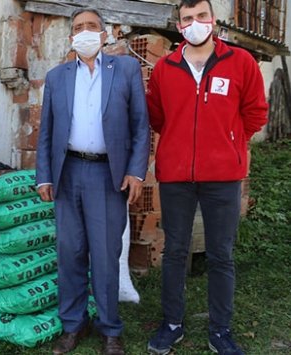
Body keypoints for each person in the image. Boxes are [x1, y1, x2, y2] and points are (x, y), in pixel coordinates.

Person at [145, 1, 268, 354]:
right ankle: (171, 324)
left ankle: (220, 330)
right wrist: (180, 145)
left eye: (201, 16)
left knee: (220, 255)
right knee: (174, 252)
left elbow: (256, 112)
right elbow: (157, 117)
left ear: (212, 20)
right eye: (187, 18)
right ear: (179, 24)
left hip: (223, 176)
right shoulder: (165, 68)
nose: (194, 23)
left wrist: (227, 142)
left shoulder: (240, 62)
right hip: (176, 176)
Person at [36, 8, 150, 355]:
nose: (84, 32)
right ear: (72, 37)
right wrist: (44, 176)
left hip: (107, 175)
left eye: (91, 27)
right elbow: (47, 133)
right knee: (70, 252)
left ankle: (110, 328)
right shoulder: (57, 77)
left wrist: (135, 171)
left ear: (104, 35)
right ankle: (73, 324)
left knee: (104, 254)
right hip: (68, 172)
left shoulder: (127, 69)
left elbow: (140, 125)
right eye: (78, 28)